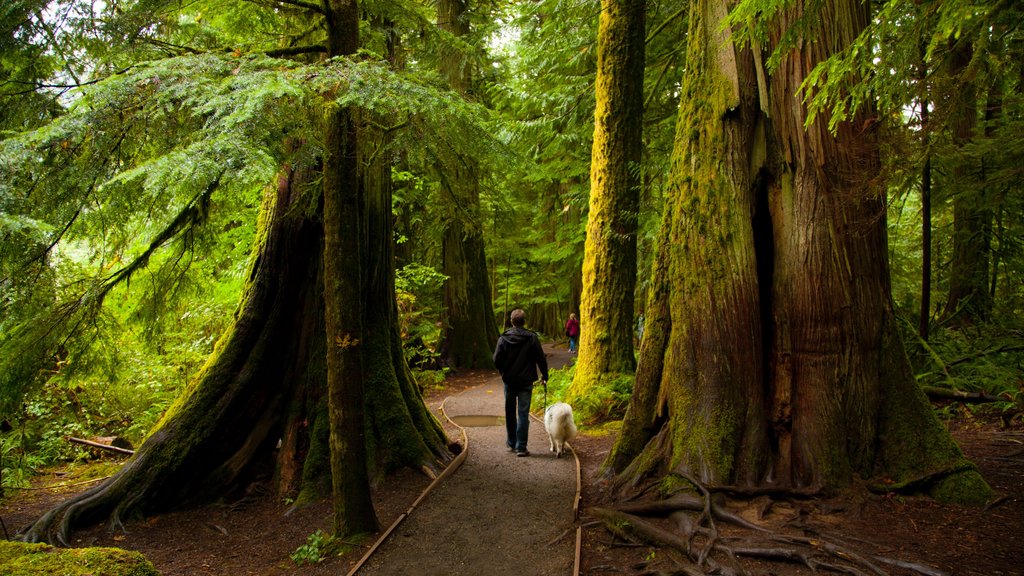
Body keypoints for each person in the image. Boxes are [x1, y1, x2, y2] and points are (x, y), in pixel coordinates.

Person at [493, 309, 549, 457]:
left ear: (511, 321)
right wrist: (545, 375)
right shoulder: (532, 338)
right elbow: (541, 358)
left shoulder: (503, 339)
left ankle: (512, 443)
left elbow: (496, 360)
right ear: (524, 321)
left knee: (510, 412)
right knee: (523, 414)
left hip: (509, 381)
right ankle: (521, 447)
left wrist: (504, 371)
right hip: (526, 381)